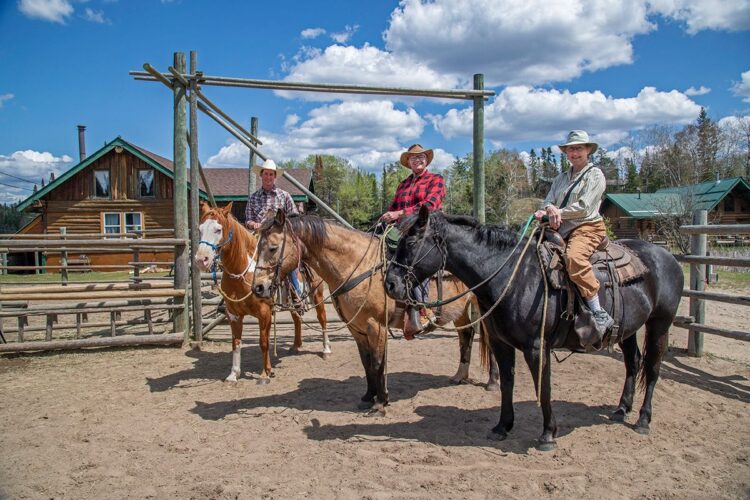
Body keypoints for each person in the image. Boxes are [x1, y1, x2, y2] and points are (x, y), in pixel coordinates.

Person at [534, 130, 614, 349]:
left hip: (586, 226)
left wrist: (556, 212)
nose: (574, 152)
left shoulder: (594, 175)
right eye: (571, 149)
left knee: (574, 258)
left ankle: (598, 311)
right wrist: (548, 208)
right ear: (566, 152)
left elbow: (585, 206)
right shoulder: (561, 177)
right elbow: (548, 201)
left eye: (579, 148)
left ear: (588, 150)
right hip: (561, 228)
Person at [382, 144, 446, 339]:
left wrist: (400, 213)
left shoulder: (436, 180)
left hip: (425, 228)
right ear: (408, 162)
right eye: (413, 158)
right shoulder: (403, 184)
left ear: (426, 161)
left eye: (421, 158)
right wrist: (387, 216)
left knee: (416, 260)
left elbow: (430, 205)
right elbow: (393, 206)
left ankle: (421, 309)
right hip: (402, 230)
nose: (417, 160)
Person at [245, 159, 304, 307]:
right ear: (261, 175)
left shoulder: (284, 196)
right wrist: (255, 224)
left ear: (275, 176)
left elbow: (295, 217)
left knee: (289, 262)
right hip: (259, 237)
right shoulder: (254, 198)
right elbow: (248, 220)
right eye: (266, 174)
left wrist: (283, 226)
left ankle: (296, 293)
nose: (268, 177)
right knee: (242, 260)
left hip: (280, 239)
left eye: (271, 174)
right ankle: (236, 296)